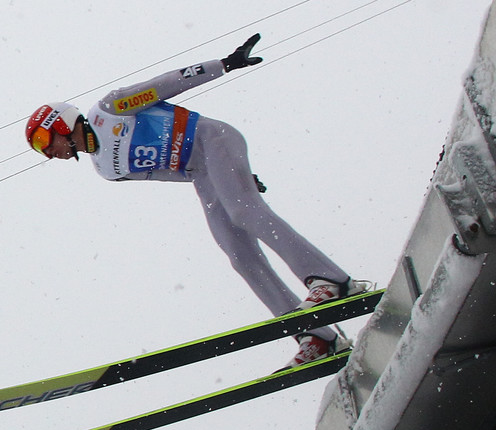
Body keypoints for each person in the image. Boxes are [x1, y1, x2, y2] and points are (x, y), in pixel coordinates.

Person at [25, 34, 368, 368]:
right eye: (40, 149)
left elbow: (166, 85)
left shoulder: (109, 110)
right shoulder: (106, 170)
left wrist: (225, 64)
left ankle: (330, 279)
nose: (48, 151)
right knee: (240, 256)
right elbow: (170, 173)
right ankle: (316, 336)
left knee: (244, 212)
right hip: (200, 170)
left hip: (211, 139)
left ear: (62, 122)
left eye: (44, 139)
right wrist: (233, 177)